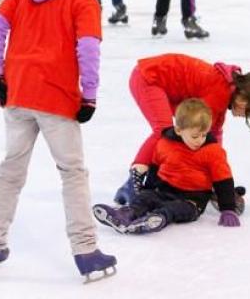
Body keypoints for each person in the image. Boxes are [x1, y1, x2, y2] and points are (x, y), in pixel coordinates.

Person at [0, 0, 116, 281]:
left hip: (18, 93)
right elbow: (88, 48)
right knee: (72, 173)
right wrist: (90, 95)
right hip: (57, 99)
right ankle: (86, 251)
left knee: (11, 169)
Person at [113, 53, 250, 208]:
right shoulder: (220, 91)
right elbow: (200, 134)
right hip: (148, 78)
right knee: (164, 133)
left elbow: (213, 137)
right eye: (249, 110)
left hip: (155, 79)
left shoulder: (224, 91)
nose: (246, 115)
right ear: (243, 95)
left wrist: (219, 180)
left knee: (180, 135)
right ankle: (132, 183)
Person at [93, 99, 241, 234]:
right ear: (178, 130)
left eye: (204, 135)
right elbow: (155, 169)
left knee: (174, 209)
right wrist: (148, 190)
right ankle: (126, 214)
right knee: (145, 198)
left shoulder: (213, 151)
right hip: (164, 192)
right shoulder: (165, 144)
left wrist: (228, 209)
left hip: (192, 201)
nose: (200, 140)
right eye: (195, 136)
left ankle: (156, 219)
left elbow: (224, 181)